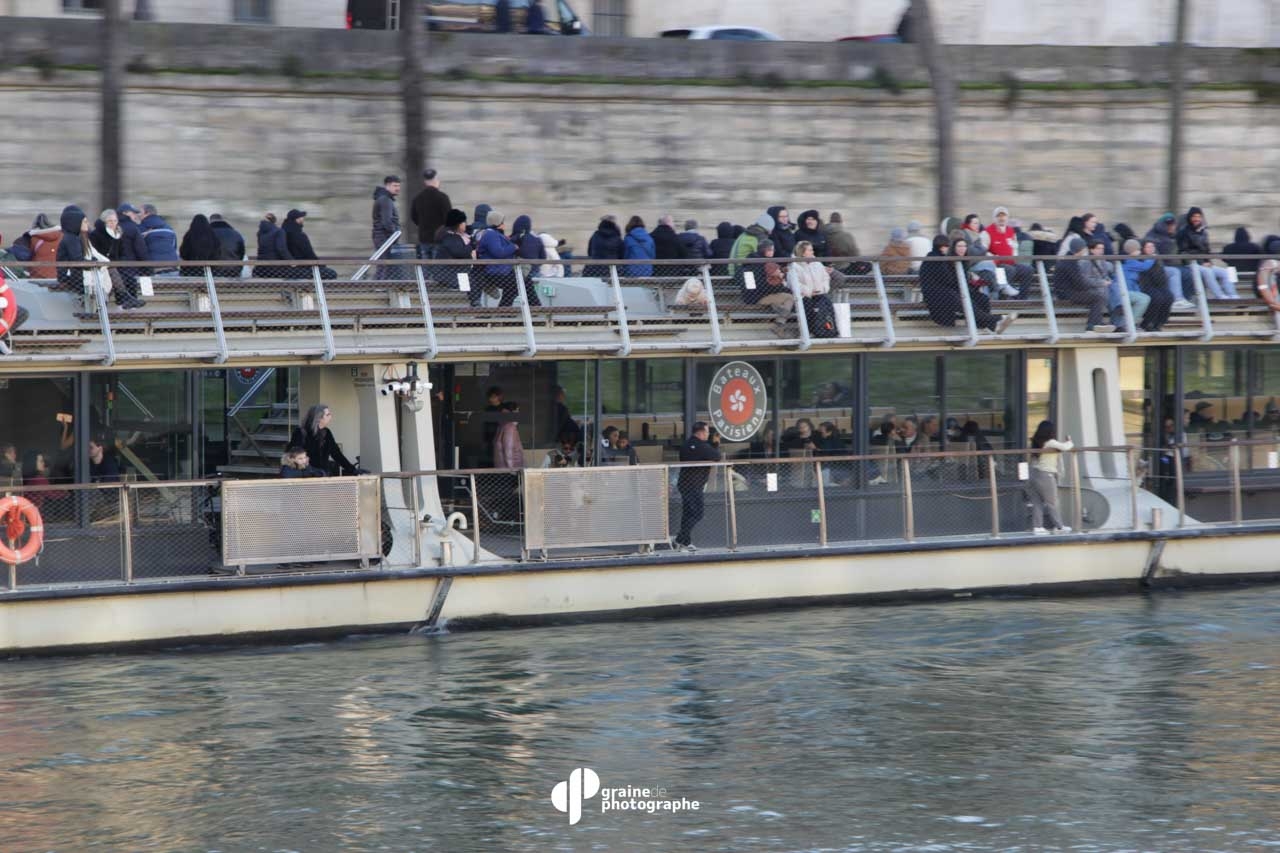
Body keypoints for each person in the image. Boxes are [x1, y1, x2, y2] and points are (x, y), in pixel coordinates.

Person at [920, 235, 1016, 334]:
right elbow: (947, 279)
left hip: (950, 290)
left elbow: (952, 280)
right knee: (964, 301)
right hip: (937, 293)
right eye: (944, 247)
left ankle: (988, 326)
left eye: (947, 246)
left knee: (981, 298)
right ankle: (996, 319)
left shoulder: (947, 258)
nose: (945, 249)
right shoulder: (936, 259)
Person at [1052, 235, 1113, 333]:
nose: (1085, 251)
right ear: (1079, 249)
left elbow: (1079, 282)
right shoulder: (1071, 263)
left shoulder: (1069, 260)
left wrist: (1090, 286)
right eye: (1083, 249)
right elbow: (1080, 282)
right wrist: (1094, 286)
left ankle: (1097, 323)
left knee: (1096, 295)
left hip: (1067, 290)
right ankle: (1091, 326)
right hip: (1066, 293)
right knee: (1098, 297)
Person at [675, 421, 721, 551]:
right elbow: (716, 456)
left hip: (685, 483)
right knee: (697, 513)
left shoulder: (687, 444)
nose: (708, 434)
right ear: (701, 432)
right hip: (694, 485)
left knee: (688, 513)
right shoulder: (701, 446)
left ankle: (685, 541)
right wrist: (715, 444)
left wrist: (710, 445)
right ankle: (680, 538)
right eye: (707, 432)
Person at [1177, 206, 1239, 299]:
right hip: (1191, 264)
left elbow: (1206, 250)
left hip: (1203, 263)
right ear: (1190, 218)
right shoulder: (1184, 232)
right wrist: (1201, 263)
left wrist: (1208, 261)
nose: (1196, 219)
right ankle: (1219, 296)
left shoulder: (1203, 232)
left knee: (1225, 272)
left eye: (1199, 216)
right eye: (1194, 216)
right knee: (1208, 272)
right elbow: (1184, 252)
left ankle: (1233, 296)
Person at [477, 210, 537, 306]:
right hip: (497, 272)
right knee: (522, 282)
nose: (504, 224)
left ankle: (505, 309)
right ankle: (536, 306)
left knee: (522, 282)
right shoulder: (491, 235)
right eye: (502, 222)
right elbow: (499, 252)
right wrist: (513, 247)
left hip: (501, 270)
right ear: (497, 223)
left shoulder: (493, 234)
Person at [1028, 420, 1073, 534]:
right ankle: (1059, 527)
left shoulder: (1036, 442)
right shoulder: (1050, 442)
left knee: (1037, 502)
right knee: (1052, 502)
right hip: (1046, 475)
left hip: (1034, 474)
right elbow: (1066, 447)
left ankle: (1037, 527)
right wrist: (1069, 440)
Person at [290, 404, 357, 476]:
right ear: (319, 418)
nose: (331, 417)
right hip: (305, 476)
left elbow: (336, 454)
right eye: (328, 415)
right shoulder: (300, 432)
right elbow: (294, 456)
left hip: (322, 475)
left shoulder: (327, 432)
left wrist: (353, 470)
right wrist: (311, 470)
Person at [1122, 239, 1174, 332]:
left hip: (1156, 286)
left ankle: (1159, 322)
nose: (1151, 249)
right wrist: (1151, 259)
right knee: (1157, 297)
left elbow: (1161, 275)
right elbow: (1143, 269)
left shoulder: (1156, 260)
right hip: (1143, 286)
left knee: (1169, 296)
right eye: (1148, 247)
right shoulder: (1138, 260)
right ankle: (1148, 323)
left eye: (1152, 246)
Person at [436, 209, 478, 304]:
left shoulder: (451, 236)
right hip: (448, 274)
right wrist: (470, 246)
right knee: (472, 281)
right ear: (458, 224)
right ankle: (476, 305)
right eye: (463, 222)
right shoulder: (449, 237)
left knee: (473, 280)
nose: (465, 224)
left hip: (453, 272)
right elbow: (460, 252)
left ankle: (475, 304)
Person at [410, 168, 451, 259]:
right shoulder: (443, 197)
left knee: (426, 265)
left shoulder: (418, 198)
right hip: (439, 239)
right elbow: (449, 219)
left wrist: (422, 225)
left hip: (424, 238)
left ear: (425, 181)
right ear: (436, 180)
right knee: (438, 265)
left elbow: (413, 217)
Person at [281, 209, 333, 278]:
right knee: (331, 273)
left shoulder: (283, 232)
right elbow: (309, 254)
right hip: (302, 268)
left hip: (288, 269)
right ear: (297, 219)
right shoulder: (299, 235)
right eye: (301, 217)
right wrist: (321, 265)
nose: (303, 218)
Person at [372, 175, 402, 279]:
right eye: (395, 186)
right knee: (384, 264)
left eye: (399, 186)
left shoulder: (384, 198)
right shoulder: (385, 200)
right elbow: (387, 222)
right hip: (384, 237)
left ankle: (379, 284)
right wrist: (395, 234)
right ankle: (379, 285)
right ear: (387, 186)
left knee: (383, 264)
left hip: (383, 236)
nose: (398, 188)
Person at [139, 204, 180, 275]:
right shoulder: (169, 228)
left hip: (153, 269)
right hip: (172, 266)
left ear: (147, 213)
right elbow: (174, 246)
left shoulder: (140, 229)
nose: (138, 215)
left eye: (140, 212)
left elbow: (139, 250)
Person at [254, 213, 292, 278]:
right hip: (276, 268)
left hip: (261, 269)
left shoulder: (260, 233)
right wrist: (291, 261)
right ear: (274, 221)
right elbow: (281, 249)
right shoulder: (279, 231)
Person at [209, 214, 246, 278]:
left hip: (212, 272)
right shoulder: (236, 233)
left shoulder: (207, 234)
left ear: (210, 221)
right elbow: (242, 252)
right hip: (234, 271)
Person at [493, 402, 525, 469]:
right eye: (517, 411)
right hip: (512, 469)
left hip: (502, 469)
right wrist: (511, 470)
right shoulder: (510, 427)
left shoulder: (501, 426)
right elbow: (508, 451)